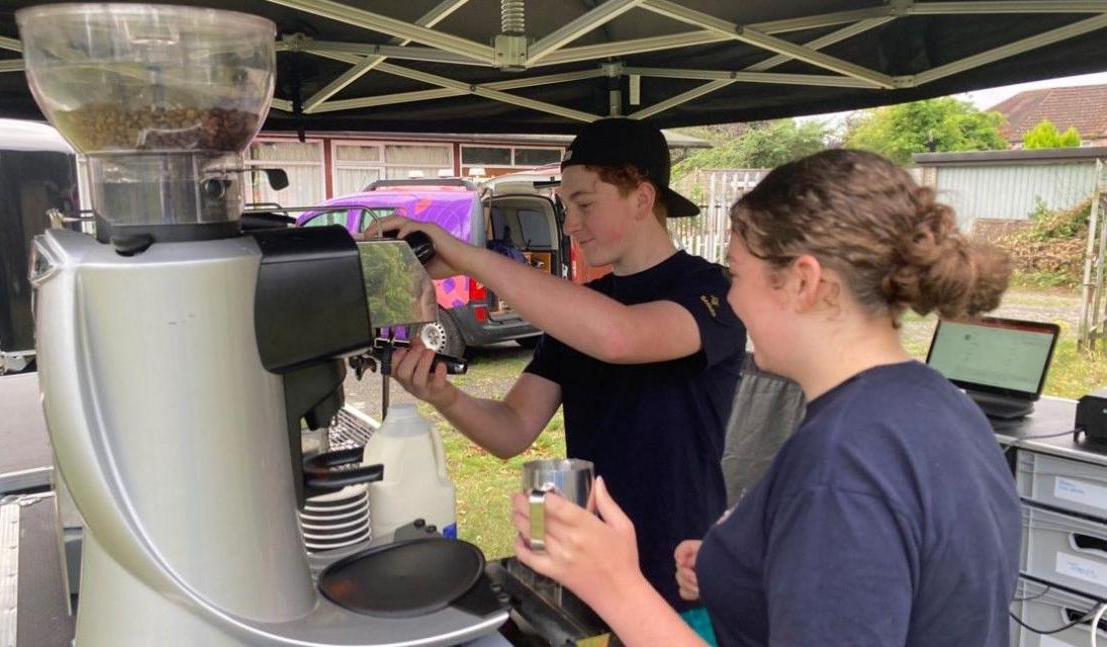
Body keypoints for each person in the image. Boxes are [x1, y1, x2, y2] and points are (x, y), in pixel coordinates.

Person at [511, 149, 1021, 646]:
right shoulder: (937, 403)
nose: (730, 298)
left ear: (803, 282)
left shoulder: (842, 464)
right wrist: (743, 564)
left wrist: (615, 585)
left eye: (736, 274)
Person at [372, 118, 747, 638]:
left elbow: (621, 338)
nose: (570, 223)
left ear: (641, 198)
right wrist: (443, 395)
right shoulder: (583, 310)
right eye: (566, 207)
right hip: (599, 574)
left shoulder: (712, 291)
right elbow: (511, 429)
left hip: (686, 577)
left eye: (585, 203)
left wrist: (464, 256)